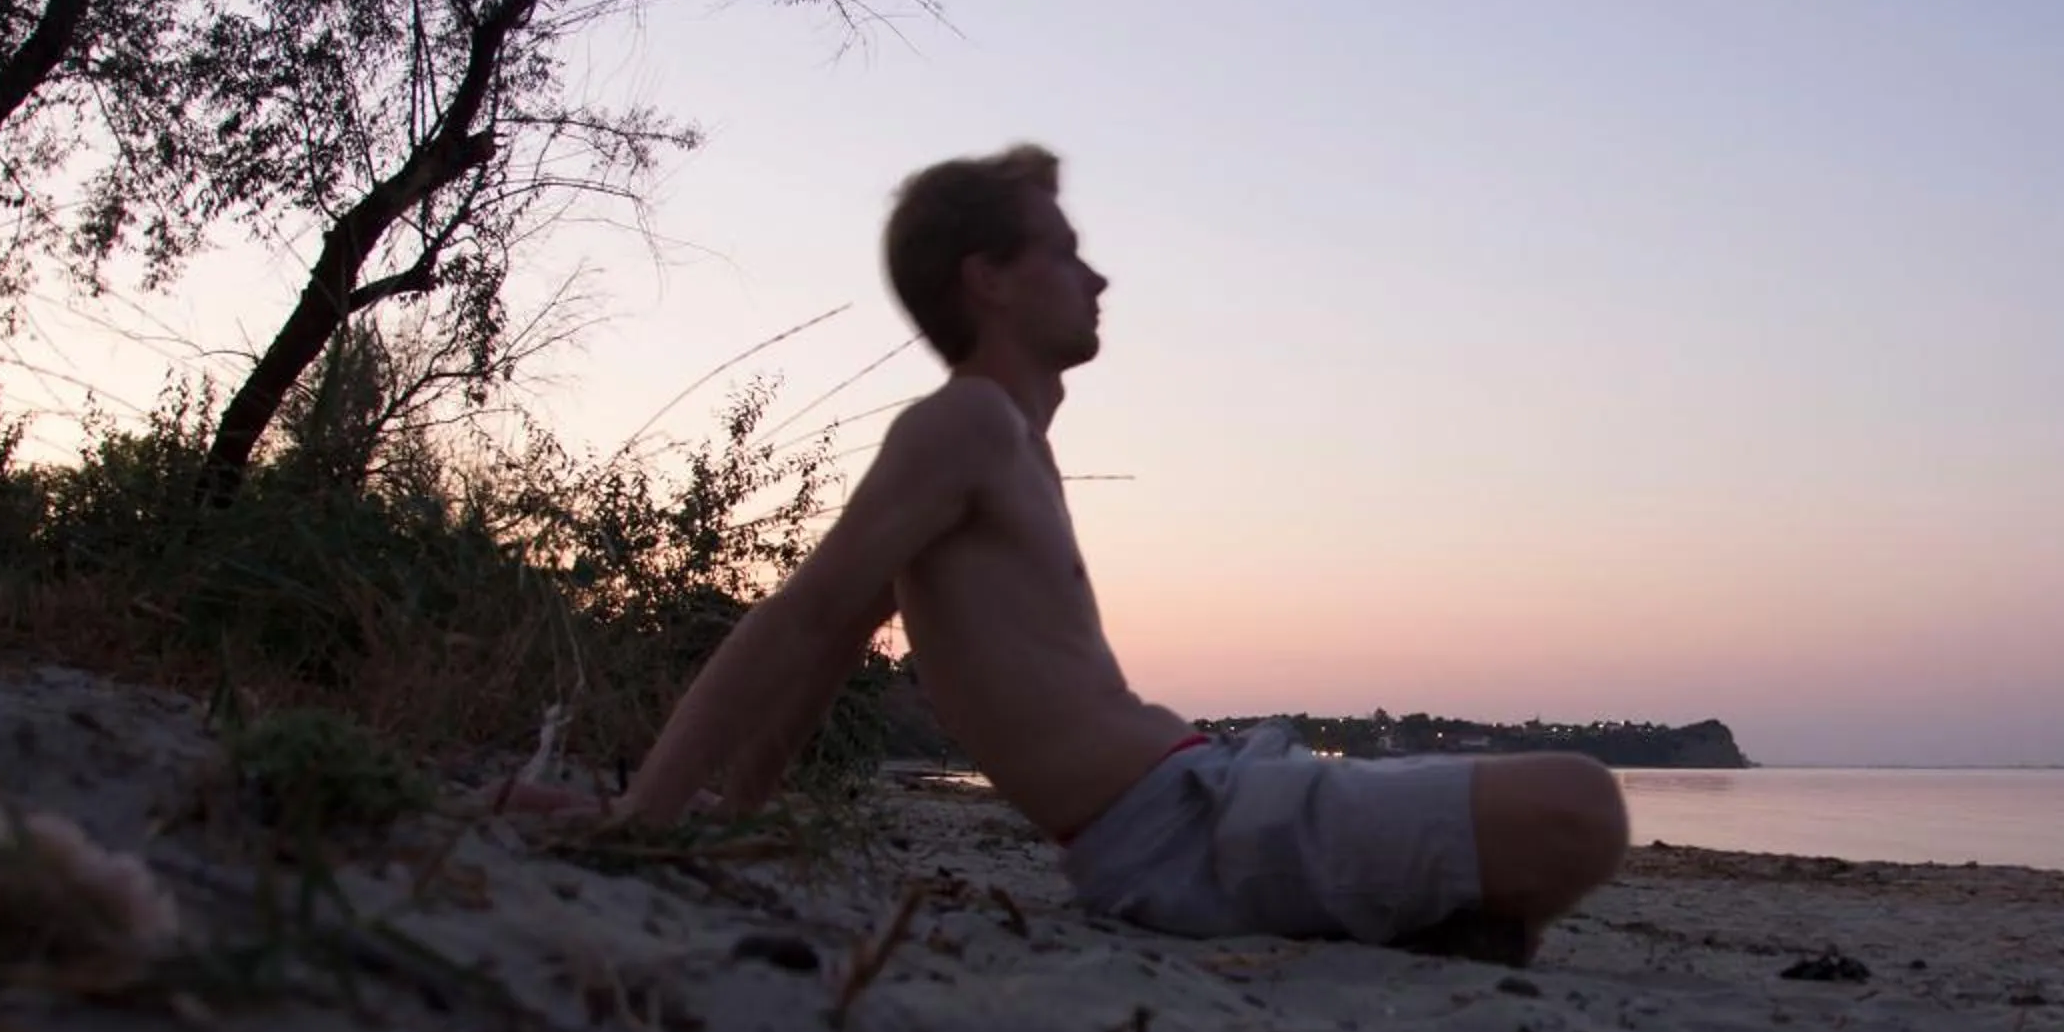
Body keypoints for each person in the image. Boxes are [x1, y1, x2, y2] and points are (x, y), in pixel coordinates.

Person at [614, 145, 1627, 959]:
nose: (1097, 276)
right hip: (1179, 835)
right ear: (991, 280)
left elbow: (836, 639)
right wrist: (648, 818)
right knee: (1581, 802)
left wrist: (734, 810)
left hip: (1202, 797)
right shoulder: (964, 422)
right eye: (1063, 251)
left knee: (1547, 821)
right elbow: (804, 616)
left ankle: (1411, 924)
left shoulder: (1009, 440)